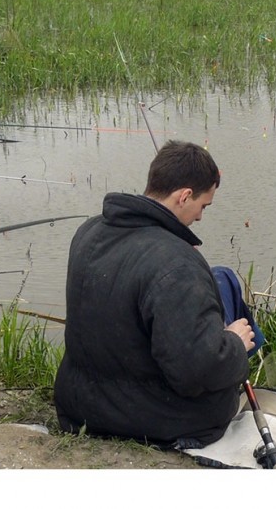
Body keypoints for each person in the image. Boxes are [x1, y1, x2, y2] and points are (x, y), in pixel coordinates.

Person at [54, 140, 257, 447]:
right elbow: (196, 373)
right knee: (231, 302)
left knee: (221, 278)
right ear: (184, 196)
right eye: (203, 206)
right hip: (152, 418)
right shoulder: (176, 264)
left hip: (78, 406)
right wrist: (235, 346)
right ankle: (250, 354)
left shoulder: (88, 231)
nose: (201, 217)